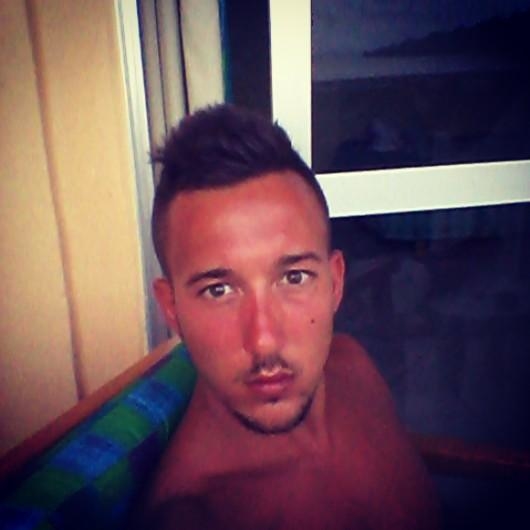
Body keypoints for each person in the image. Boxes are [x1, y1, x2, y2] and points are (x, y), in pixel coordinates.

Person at [140, 104, 439, 529]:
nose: (264, 340)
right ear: (171, 307)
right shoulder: (196, 514)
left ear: (335, 283)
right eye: (218, 290)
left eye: (294, 277)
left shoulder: (353, 364)